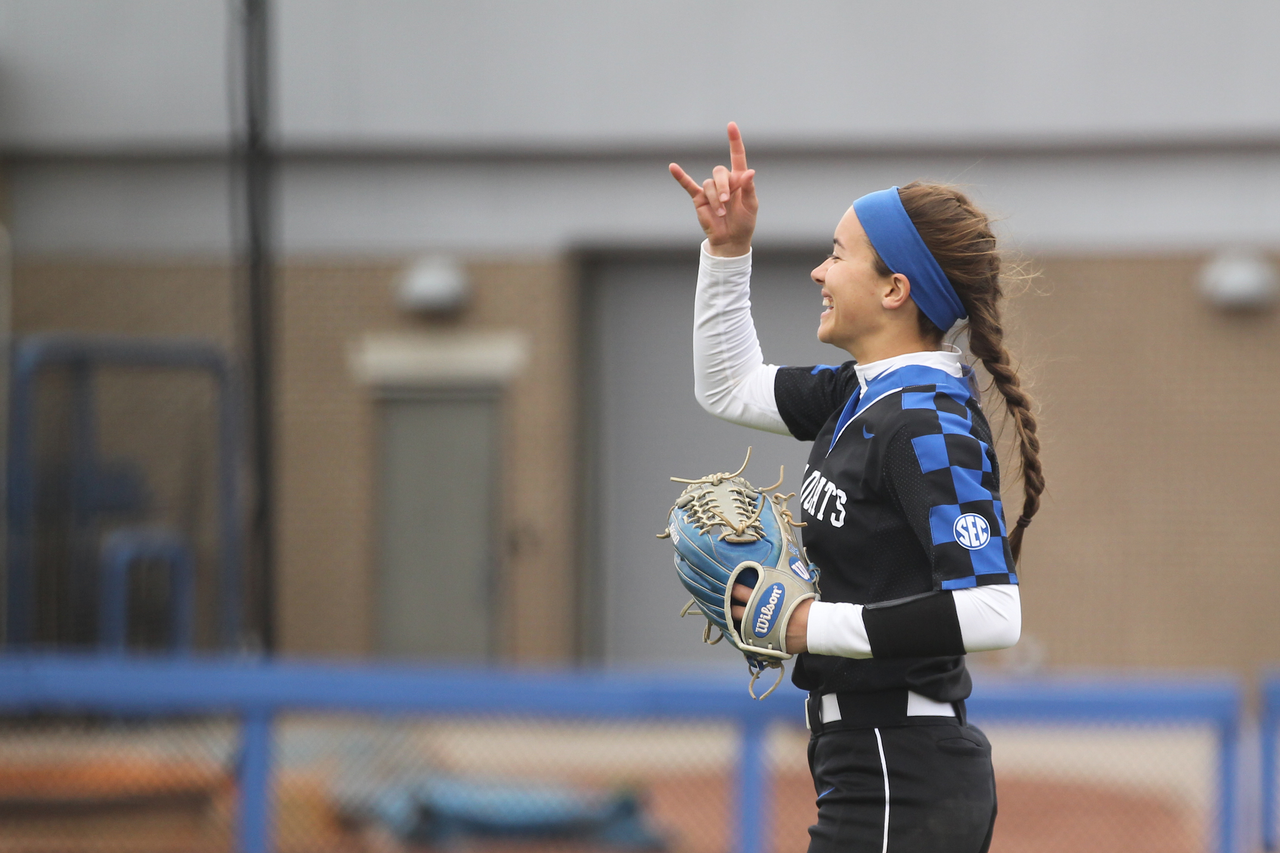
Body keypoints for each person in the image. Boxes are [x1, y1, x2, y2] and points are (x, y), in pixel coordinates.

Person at [669, 123, 1043, 853]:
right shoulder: (861, 394)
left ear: (895, 288)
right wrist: (727, 250)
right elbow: (727, 386)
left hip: (903, 770)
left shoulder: (926, 419)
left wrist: (812, 623)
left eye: (838, 255)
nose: (819, 271)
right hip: (870, 762)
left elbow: (993, 609)